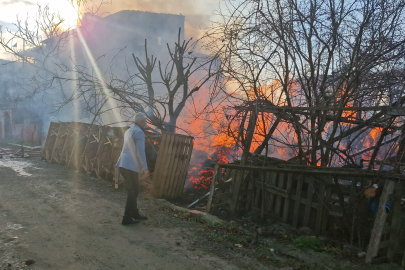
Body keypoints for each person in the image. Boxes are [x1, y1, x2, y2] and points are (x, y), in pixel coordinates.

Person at [116, 113, 149, 225]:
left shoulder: (129, 130)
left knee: (135, 190)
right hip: (129, 166)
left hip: (124, 164)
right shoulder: (139, 132)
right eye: (145, 122)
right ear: (141, 122)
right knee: (132, 192)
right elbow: (141, 151)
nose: (146, 124)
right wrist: (145, 168)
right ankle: (126, 218)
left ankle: (134, 213)